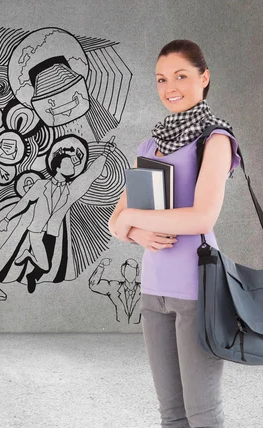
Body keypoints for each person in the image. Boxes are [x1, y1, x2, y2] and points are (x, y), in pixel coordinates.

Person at [109, 40, 242, 428]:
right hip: (153, 290)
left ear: (204, 78)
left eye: (181, 76)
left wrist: (136, 219)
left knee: (202, 413)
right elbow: (115, 224)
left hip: (196, 289)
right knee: (171, 414)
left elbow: (202, 217)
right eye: (162, 79)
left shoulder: (215, 140)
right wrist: (135, 232)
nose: (171, 86)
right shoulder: (150, 144)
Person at [0, 134, 115, 293]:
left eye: (73, 165)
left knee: (45, 266)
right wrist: (7, 218)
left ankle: (30, 268)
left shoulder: (70, 191)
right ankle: (28, 259)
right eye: (68, 164)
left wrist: (105, 154)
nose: (72, 168)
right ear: (58, 166)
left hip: (52, 233)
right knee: (44, 264)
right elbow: (24, 202)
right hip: (35, 231)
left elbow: (90, 176)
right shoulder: (40, 185)